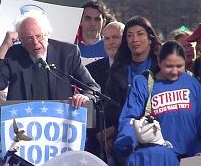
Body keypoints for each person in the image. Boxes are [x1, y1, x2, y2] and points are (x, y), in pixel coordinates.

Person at [0, 11, 100, 108]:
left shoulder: (67, 53)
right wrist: (4, 46)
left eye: (39, 36)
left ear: (47, 34)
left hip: (60, 123)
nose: (35, 43)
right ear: (21, 41)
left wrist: (84, 96)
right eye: (29, 39)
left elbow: (93, 88)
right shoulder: (13, 54)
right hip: (23, 122)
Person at [115, 40, 201, 165]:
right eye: (169, 66)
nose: (174, 71)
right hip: (158, 158)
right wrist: (126, 142)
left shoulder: (192, 84)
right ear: (159, 62)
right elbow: (130, 116)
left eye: (179, 66)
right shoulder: (144, 82)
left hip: (191, 158)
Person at [104, 16, 162, 164]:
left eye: (140, 33)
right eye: (130, 35)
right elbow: (110, 106)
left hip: (157, 138)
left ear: (150, 38)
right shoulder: (117, 69)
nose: (134, 39)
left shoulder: (162, 67)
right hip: (125, 140)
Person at [84, 21, 124, 160]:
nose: (110, 42)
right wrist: (98, 134)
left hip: (127, 141)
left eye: (115, 37)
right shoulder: (91, 70)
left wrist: (114, 130)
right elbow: (88, 108)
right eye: (106, 38)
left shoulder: (135, 70)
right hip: (96, 145)